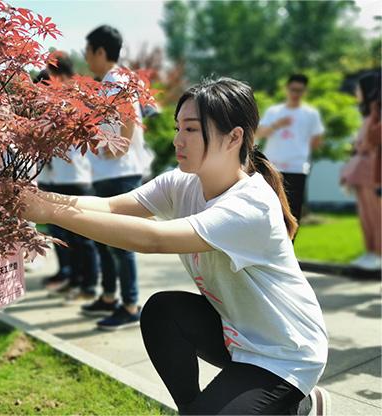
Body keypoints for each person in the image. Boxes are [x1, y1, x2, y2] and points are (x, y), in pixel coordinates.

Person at [20, 78, 329, 415]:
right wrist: (36, 200)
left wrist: (48, 212)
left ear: (234, 137)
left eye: (192, 129)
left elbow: (154, 239)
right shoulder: (182, 183)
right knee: (162, 312)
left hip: (285, 352)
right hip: (236, 330)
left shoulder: (250, 205)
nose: (177, 140)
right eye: (178, 127)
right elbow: (110, 207)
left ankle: (298, 404)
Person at [80, 25, 151, 330]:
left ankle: (131, 304)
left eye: (88, 51)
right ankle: (109, 297)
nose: (86, 58)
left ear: (100, 51)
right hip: (108, 174)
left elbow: (128, 119)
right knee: (104, 238)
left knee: (121, 244)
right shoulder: (107, 82)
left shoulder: (118, 80)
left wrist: (116, 150)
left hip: (121, 174)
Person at [35, 56, 100, 303]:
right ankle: (70, 276)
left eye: (50, 76)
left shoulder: (75, 103)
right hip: (51, 177)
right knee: (59, 233)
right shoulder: (45, 106)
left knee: (81, 235)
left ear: (61, 76)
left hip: (75, 176)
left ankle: (89, 283)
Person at [256, 74, 324, 226]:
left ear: (305, 92)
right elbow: (258, 134)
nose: (295, 94)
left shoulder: (311, 114)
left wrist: (300, 150)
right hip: (272, 167)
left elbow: (317, 140)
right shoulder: (274, 111)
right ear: (286, 89)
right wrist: (277, 125)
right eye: (293, 89)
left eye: (300, 90)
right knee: (269, 211)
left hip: (297, 168)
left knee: (292, 214)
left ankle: (288, 248)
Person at [342, 72, 381, 270]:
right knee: (365, 214)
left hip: (372, 169)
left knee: (375, 213)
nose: (356, 92)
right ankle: (370, 252)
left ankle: (378, 254)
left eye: (358, 88)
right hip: (362, 168)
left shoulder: (377, 112)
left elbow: (372, 141)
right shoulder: (368, 113)